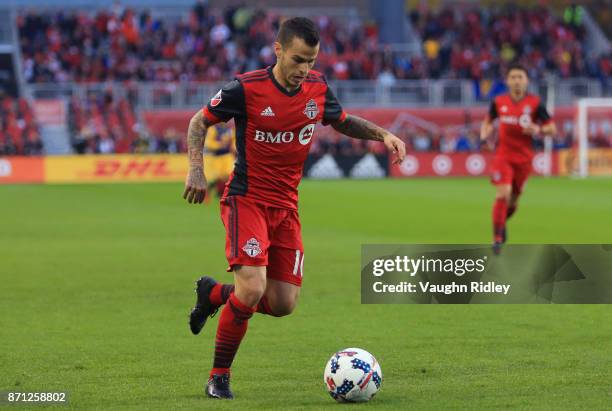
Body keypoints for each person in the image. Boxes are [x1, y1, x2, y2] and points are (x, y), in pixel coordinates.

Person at [182, 17, 406, 399]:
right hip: (247, 200)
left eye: (312, 61)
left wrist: (383, 133)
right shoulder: (246, 88)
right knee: (252, 289)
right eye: (299, 59)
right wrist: (196, 169)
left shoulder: (317, 88)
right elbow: (198, 122)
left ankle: (214, 295)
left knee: (283, 303)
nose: (305, 69)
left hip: (287, 208)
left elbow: (342, 121)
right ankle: (219, 376)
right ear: (279, 50)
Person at [480, 63, 556, 254]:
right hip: (503, 155)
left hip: (524, 158)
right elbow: (488, 121)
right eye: (513, 77)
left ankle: (501, 221)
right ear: (507, 81)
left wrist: (538, 129)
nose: (516, 81)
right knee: (502, 194)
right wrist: (485, 133)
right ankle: (497, 238)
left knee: (513, 201)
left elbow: (552, 129)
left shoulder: (535, 103)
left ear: (526, 80)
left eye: (520, 77)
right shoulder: (498, 101)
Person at [203, 123, 235, 201]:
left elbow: (234, 141)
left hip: (227, 156)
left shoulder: (230, 129)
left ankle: (223, 194)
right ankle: (208, 191)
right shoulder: (214, 129)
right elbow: (208, 143)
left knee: (229, 174)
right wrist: (219, 145)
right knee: (216, 177)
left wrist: (234, 147)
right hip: (216, 157)